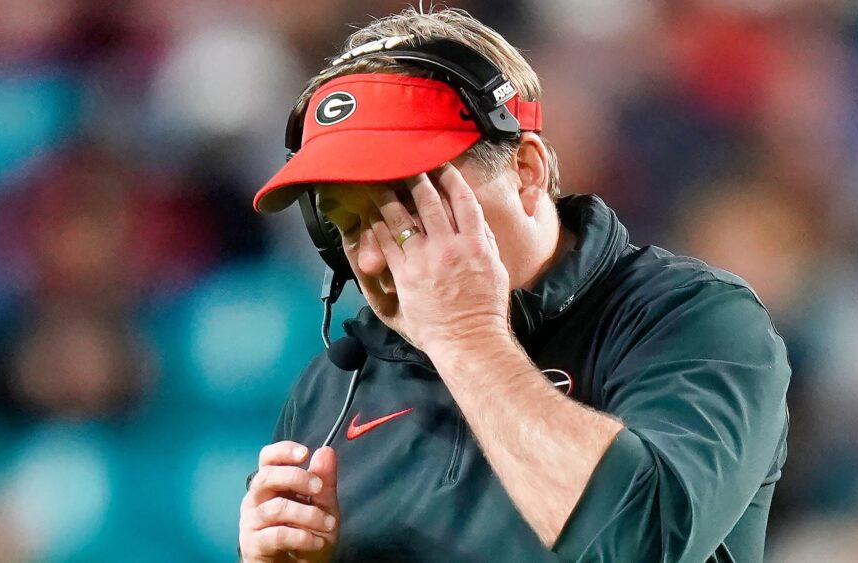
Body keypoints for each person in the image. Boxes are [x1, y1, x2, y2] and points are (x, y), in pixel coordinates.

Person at [239, 7, 790, 563]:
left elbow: (641, 545)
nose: (379, 258)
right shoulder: (335, 388)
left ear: (526, 171)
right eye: (351, 225)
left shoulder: (695, 319)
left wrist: (467, 336)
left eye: (412, 209)